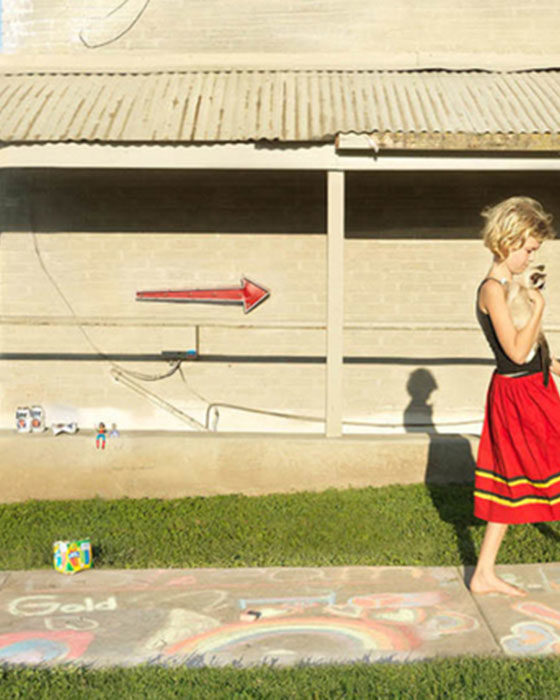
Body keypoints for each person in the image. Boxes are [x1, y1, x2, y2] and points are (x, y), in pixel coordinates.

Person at [471, 196, 560, 596]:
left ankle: (483, 574)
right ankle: (484, 574)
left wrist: (555, 366)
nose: (530, 257)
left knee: (511, 481)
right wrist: (539, 307)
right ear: (508, 241)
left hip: (534, 387)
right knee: (519, 475)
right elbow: (516, 351)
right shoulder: (492, 289)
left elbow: (536, 353)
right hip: (519, 394)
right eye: (528, 249)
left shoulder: (511, 286)